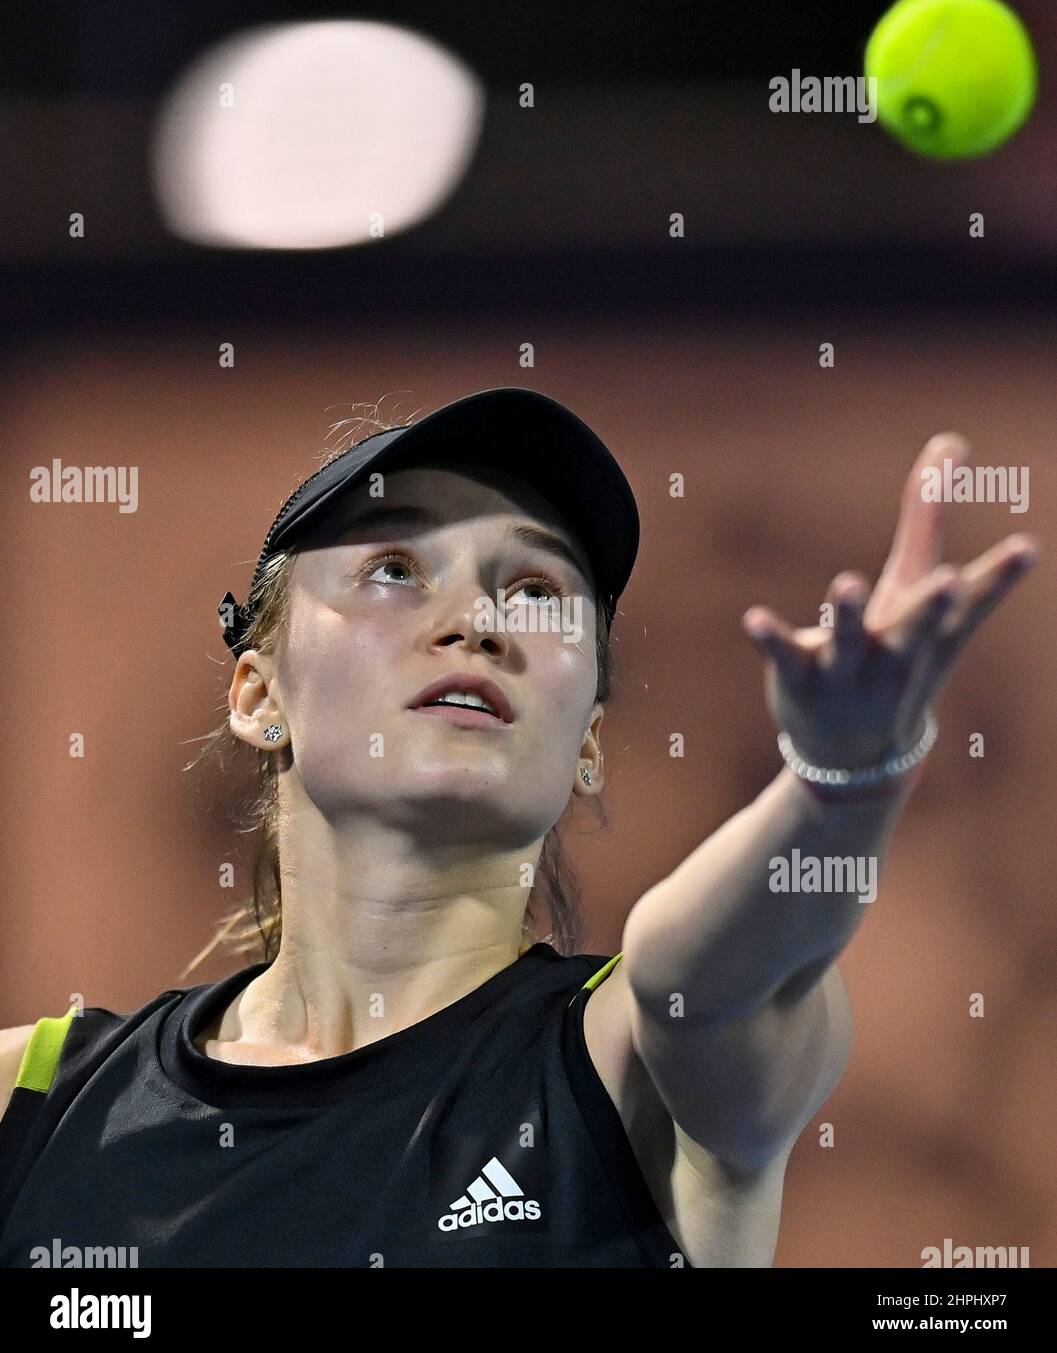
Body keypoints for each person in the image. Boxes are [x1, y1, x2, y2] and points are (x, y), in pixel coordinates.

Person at [0, 388, 1040, 1269]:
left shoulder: (632, 1066)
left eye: (537, 590)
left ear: (587, 742)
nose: (477, 621)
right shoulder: (28, 1097)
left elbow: (702, 968)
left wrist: (841, 781)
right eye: (395, 569)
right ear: (256, 691)